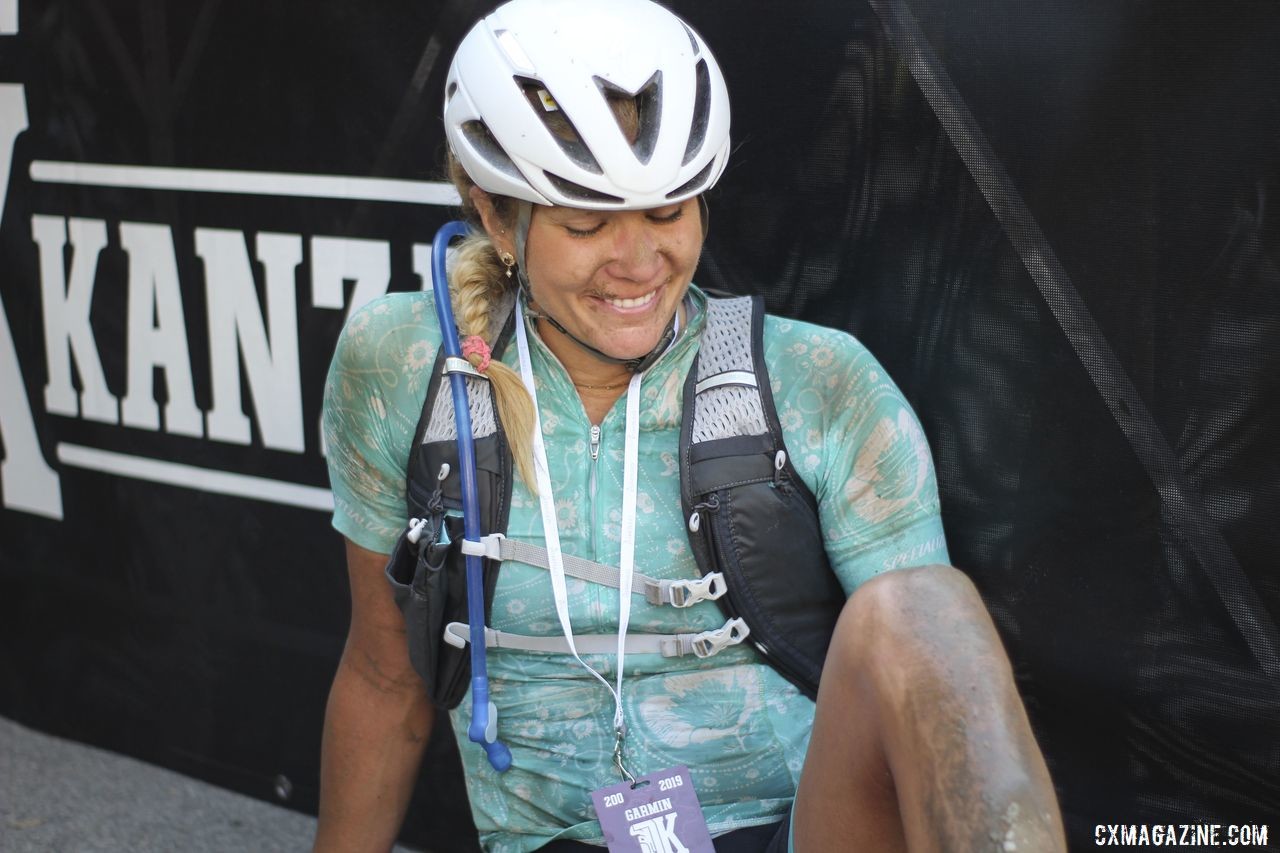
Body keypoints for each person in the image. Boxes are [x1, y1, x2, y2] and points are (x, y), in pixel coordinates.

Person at [315, 0, 1066, 851]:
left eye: (669, 213)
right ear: (497, 217)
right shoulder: (401, 364)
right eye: (588, 222)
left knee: (921, 611)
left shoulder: (820, 379)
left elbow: (925, 687)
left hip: (802, 830)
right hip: (555, 838)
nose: (639, 263)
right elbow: (384, 678)